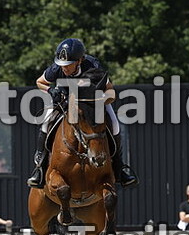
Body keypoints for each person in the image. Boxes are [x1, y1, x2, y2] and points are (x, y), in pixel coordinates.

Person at [26, 38, 139, 189]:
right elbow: (40, 81)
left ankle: (119, 166)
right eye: (62, 65)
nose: (64, 69)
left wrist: (98, 101)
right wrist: (50, 90)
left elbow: (111, 93)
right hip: (66, 102)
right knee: (47, 122)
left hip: (93, 104)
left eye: (68, 65)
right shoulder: (57, 67)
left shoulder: (93, 65)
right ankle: (40, 166)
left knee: (115, 124)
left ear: (80, 61)